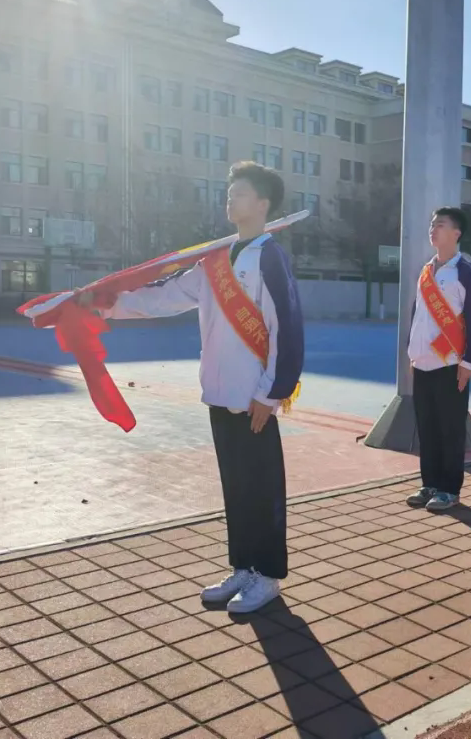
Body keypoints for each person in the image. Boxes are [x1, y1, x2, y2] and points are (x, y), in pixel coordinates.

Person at [82, 161, 305, 614]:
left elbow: (288, 328)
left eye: (239, 192)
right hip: (220, 392)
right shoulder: (216, 259)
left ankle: (267, 576)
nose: (230, 199)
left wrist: (272, 393)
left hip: (253, 396)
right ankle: (243, 566)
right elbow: (168, 296)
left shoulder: (270, 257)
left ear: (262, 204)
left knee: (261, 486)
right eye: (229, 192)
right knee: (236, 486)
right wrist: (109, 305)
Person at [405, 207, 471, 513]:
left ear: (457, 233)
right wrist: (410, 353)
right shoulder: (427, 270)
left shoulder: (464, 269)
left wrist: (468, 362)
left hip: (451, 363)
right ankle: (430, 483)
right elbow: (417, 315)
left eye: (440, 224)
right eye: (431, 224)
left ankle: (450, 489)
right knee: (426, 427)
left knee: (451, 428)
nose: (432, 229)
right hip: (423, 362)